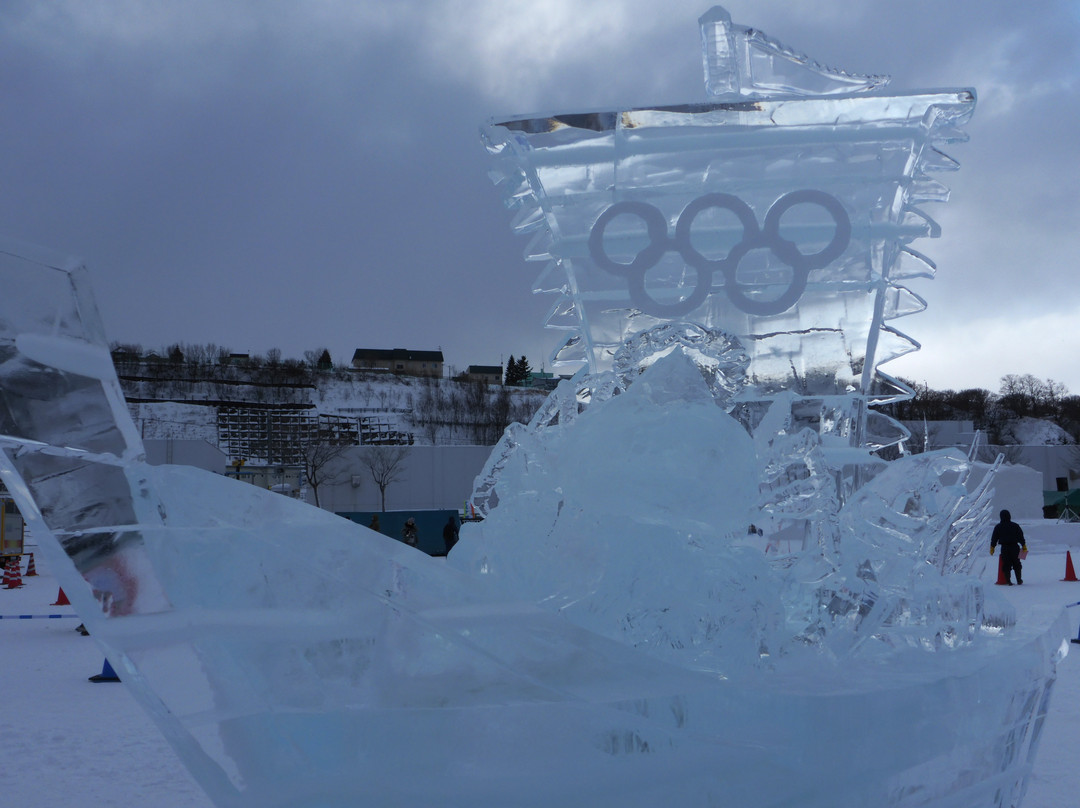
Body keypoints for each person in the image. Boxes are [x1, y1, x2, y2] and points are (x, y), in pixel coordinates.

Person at [991, 509, 1027, 585]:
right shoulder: (1015, 525)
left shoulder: (998, 527)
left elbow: (994, 538)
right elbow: (1020, 536)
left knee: (1006, 564)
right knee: (1017, 563)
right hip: (1015, 547)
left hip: (1005, 548)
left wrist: (992, 547)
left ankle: (1008, 581)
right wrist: (1023, 545)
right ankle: (1019, 580)